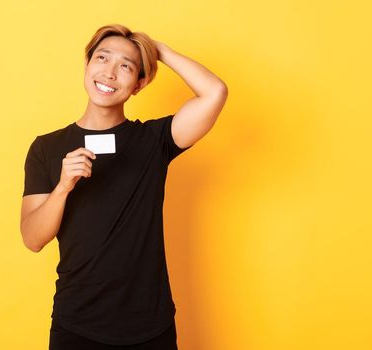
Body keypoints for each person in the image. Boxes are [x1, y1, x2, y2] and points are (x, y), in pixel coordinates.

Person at [19, 24, 228, 349]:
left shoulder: (154, 141)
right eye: (102, 58)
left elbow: (215, 92)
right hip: (76, 323)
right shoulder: (46, 148)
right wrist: (63, 187)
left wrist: (157, 50)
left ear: (139, 84)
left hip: (150, 325)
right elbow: (32, 239)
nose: (110, 72)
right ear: (87, 65)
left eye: (126, 66)